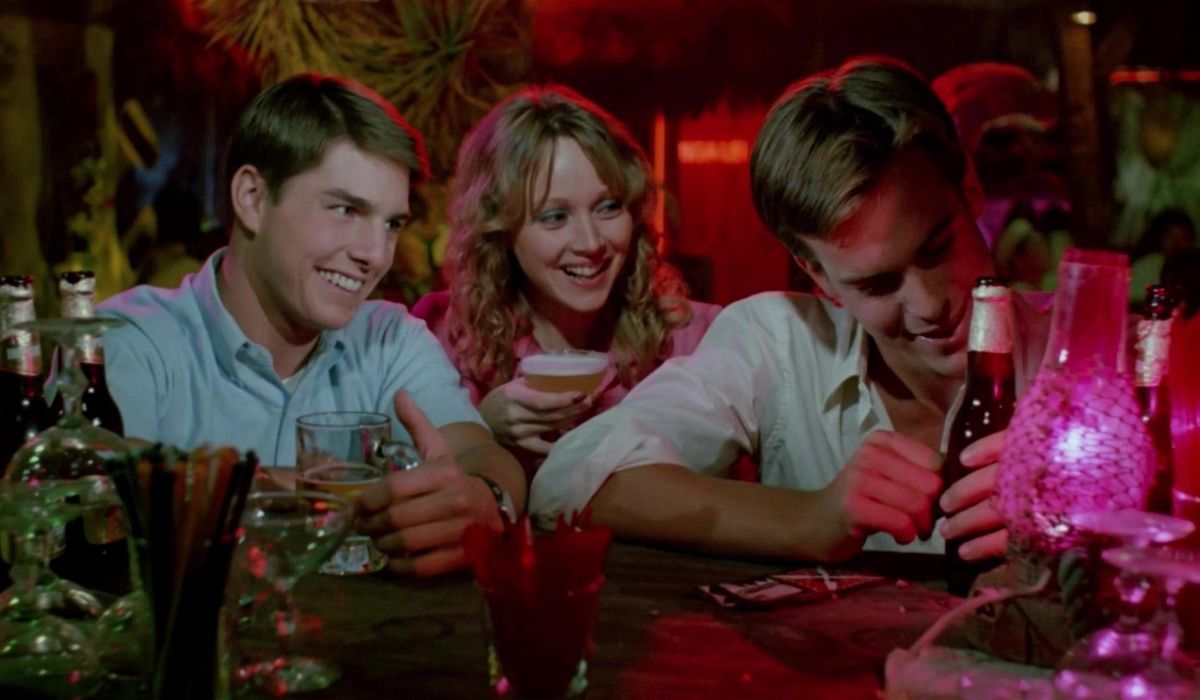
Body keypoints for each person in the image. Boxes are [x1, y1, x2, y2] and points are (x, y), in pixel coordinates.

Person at [530, 56, 1051, 563]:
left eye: (937, 249)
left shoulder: (1084, 355)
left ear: (970, 191)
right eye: (876, 284)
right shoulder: (780, 340)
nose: (929, 304)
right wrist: (807, 520)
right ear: (818, 276)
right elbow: (567, 480)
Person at [100, 73, 525, 577]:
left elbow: (480, 454)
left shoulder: (389, 339)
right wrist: (355, 499)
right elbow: (109, 500)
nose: (376, 254)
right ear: (252, 198)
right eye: (346, 210)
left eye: (392, 224)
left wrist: (484, 499)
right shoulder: (132, 340)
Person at [412, 85, 720, 474]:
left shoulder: (696, 338)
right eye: (555, 217)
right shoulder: (439, 340)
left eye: (608, 207)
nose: (591, 243)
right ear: (500, 228)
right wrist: (479, 430)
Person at [1130, 208, 1196, 304]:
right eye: (1171, 236)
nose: (1177, 243)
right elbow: (1133, 299)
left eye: (1183, 237)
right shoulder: (1146, 265)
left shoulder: (1194, 268)